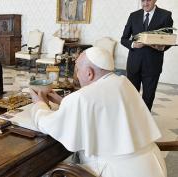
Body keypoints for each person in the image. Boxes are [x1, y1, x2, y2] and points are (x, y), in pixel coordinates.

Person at [30, 47, 166, 177]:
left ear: (89, 73)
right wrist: (64, 102)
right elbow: (107, 110)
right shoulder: (123, 82)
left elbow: (49, 124)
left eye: (77, 70)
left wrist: (39, 104)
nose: (77, 75)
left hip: (117, 172)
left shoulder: (82, 97)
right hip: (152, 166)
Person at [121, 0, 173, 111]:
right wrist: (133, 44)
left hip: (152, 65)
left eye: (148, 0)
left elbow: (169, 40)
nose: (145, 3)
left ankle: (145, 123)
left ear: (155, 0)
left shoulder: (165, 15)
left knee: (148, 98)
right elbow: (123, 39)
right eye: (142, 0)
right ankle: (131, 122)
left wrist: (162, 47)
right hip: (134, 64)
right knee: (131, 97)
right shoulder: (133, 16)